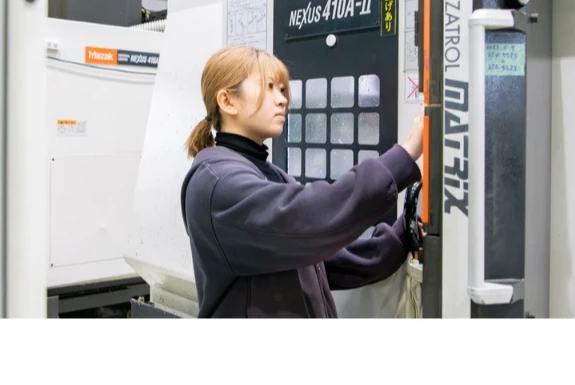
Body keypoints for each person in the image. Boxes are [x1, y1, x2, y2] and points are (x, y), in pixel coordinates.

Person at [180, 46, 424, 318]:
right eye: (269, 87)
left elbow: (327, 261)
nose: (282, 99)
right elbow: (315, 218)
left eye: (282, 90)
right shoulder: (217, 183)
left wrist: (403, 235)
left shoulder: (269, 174)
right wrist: (406, 154)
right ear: (227, 101)